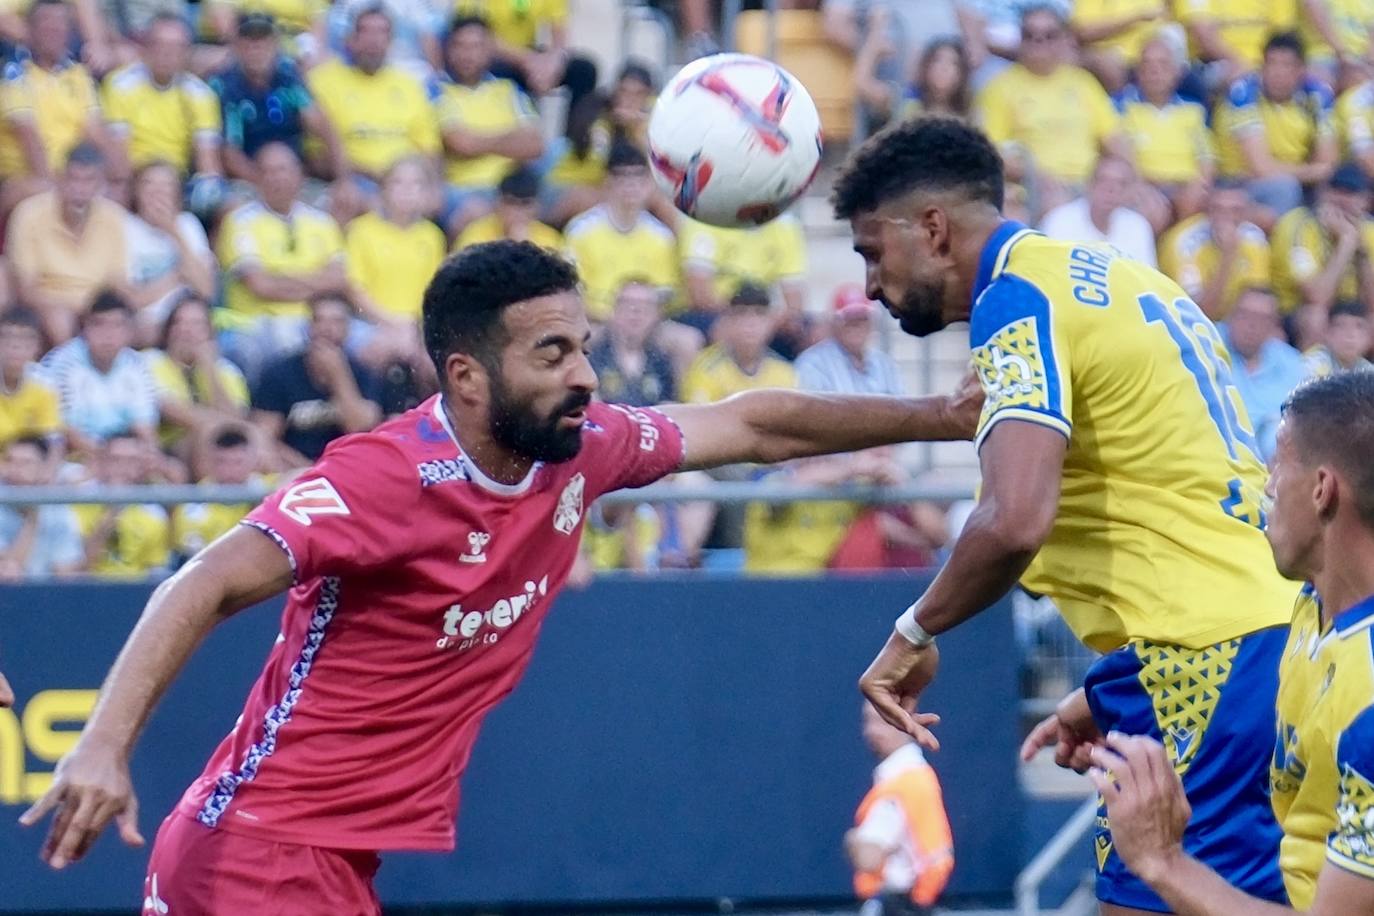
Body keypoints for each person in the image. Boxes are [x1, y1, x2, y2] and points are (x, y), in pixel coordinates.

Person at [18, 240, 983, 910]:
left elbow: (757, 422)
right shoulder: (382, 476)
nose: (587, 378)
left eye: (587, 349)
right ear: (467, 376)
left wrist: (941, 415)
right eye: (552, 353)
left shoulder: (581, 450)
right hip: (259, 854)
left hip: (326, 862)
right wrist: (104, 746)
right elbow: (202, 582)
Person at [834, 117, 1295, 915]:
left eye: (874, 253)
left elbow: (1014, 519)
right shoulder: (1124, 276)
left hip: (1202, 663)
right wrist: (1107, 687)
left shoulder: (1016, 300)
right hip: (1260, 640)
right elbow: (1167, 494)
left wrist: (912, 634)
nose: (872, 285)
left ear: (934, 229)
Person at [1088, 371, 1374, 915]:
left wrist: (1162, 861)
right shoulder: (1313, 607)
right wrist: (1084, 705)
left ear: (1321, 489)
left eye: (1279, 463)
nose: (1266, 485)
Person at [216, 142, 348, 385]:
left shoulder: (322, 222)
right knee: (286, 340)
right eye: (268, 171)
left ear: (300, 175)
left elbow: (339, 280)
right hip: (259, 322)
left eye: (283, 170)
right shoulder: (239, 222)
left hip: (318, 320)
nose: (276, 178)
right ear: (257, 178)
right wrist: (315, 280)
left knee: (368, 343)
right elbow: (261, 285)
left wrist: (281, 277)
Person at [975, 4, 1129, 211]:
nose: (1039, 41)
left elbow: (1115, 139)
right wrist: (1035, 176)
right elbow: (991, 153)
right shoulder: (999, 88)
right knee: (1057, 204)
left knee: (1148, 207)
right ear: (1020, 40)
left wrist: (1134, 180)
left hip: (1091, 183)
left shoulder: (1083, 82)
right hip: (1033, 186)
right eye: (1030, 35)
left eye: (1049, 35)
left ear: (1064, 39)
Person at [306, 5, 440, 216]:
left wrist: (432, 187)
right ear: (350, 38)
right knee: (358, 202)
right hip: (355, 180)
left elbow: (429, 150)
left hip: (408, 183)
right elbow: (316, 157)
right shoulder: (322, 82)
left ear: (391, 41)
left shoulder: (410, 86)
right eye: (365, 32)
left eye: (381, 32)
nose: (373, 41)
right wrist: (370, 173)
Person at [210, 13, 350, 195]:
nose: (257, 49)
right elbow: (230, 155)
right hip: (248, 182)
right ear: (236, 46)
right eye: (249, 42)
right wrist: (271, 186)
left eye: (263, 41)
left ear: (276, 45)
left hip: (293, 174)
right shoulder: (225, 86)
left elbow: (323, 127)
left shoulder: (289, 78)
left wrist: (344, 180)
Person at [6, 143, 128, 345]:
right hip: (48, 301)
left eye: (89, 181)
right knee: (60, 320)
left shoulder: (113, 218)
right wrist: (79, 307)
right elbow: (26, 290)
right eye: (73, 179)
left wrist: (102, 314)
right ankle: (66, 374)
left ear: (100, 185)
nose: (79, 190)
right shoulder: (29, 214)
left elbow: (117, 284)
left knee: (132, 324)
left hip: (98, 306)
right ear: (59, 179)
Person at [434, 15, 544, 236]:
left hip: (515, 189)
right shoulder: (436, 90)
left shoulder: (509, 90)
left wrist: (480, 141)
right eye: (460, 46)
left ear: (489, 51)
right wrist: (511, 138)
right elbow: (462, 144)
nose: (468, 54)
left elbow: (535, 145)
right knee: (478, 212)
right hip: (464, 190)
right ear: (448, 49)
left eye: (476, 47)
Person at [0, 0, 111, 217]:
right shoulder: (14, 73)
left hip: (75, 177)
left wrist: (103, 178)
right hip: (27, 176)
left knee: (114, 192)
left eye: (61, 24)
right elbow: (30, 138)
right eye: (46, 23)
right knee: (39, 190)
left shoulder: (78, 75)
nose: (54, 30)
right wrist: (62, 186)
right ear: (30, 30)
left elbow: (95, 133)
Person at [1213, 32, 1337, 225]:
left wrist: (1318, 171)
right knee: (1285, 188)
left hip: (1298, 181)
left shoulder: (1317, 94)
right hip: (1239, 184)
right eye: (1271, 63)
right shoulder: (1243, 93)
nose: (1277, 72)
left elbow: (1329, 163)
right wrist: (1313, 171)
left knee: (1342, 189)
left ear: (1301, 70)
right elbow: (1260, 168)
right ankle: (1285, 245)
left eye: (1286, 65)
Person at [100, 14, 223, 209]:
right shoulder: (120, 85)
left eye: (176, 47)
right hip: (134, 179)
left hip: (178, 182)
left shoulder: (201, 95)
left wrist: (207, 189)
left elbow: (208, 164)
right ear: (146, 48)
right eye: (160, 45)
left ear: (186, 53)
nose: (167, 53)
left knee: (218, 200)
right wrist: (150, 187)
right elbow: (118, 160)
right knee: (115, 191)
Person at [847, 702, 954, 916]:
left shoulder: (901, 786)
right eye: (868, 720)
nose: (871, 730)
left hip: (897, 905)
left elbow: (869, 858)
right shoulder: (919, 776)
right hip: (916, 902)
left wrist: (851, 839)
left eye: (883, 721)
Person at [252, 294, 383, 466]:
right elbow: (264, 439)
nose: (327, 329)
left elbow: (361, 428)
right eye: (319, 320)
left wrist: (339, 376)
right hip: (293, 470)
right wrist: (308, 469)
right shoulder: (278, 372)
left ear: (348, 328)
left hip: (349, 469)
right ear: (308, 326)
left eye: (337, 321)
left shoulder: (365, 372)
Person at [564, 142, 678, 323]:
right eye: (622, 177)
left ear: (649, 183)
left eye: (638, 177)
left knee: (687, 340)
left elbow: (663, 297)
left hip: (646, 327)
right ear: (607, 181)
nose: (631, 186)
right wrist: (614, 322)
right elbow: (572, 294)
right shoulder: (581, 231)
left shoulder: (661, 237)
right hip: (595, 323)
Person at [39, 289, 158, 457]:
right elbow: (67, 432)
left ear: (130, 331)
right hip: (76, 457)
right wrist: (110, 459)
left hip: (126, 455)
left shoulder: (137, 365)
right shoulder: (63, 363)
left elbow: (145, 428)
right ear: (84, 328)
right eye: (99, 324)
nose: (108, 334)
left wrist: (146, 456)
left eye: (117, 325)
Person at [1114, 36, 1214, 230]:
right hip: (1144, 186)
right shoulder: (1121, 107)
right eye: (1147, 64)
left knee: (1203, 204)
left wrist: (1198, 185)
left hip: (1185, 185)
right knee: (1151, 211)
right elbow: (1120, 154)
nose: (1155, 71)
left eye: (1163, 64)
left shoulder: (1193, 110)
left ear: (1177, 73)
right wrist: (1140, 185)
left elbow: (1206, 158)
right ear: (1137, 71)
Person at [143, 294, 251, 460]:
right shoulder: (150, 361)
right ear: (168, 329)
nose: (186, 330)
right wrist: (236, 427)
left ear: (209, 332)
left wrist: (208, 367)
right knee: (209, 432)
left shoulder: (226, 370)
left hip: (225, 445)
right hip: (171, 447)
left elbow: (237, 418)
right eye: (179, 322)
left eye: (196, 324)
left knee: (257, 440)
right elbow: (175, 412)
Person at [123, 160, 216, 336]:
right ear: (136, 191)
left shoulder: (188, 224)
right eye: (149, 184)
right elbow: (132, 300)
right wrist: (177, 276)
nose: (157, 193)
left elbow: (206, 290)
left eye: (166, 186)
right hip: (145, 324)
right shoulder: (124, 227)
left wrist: (173, 231)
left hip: (190, 322)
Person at [1158, 177, 1271, 320]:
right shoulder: (1184, 244)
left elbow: (1255, 300)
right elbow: (1199, 313)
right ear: (1207, 211)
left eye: (1235, 210)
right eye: (1218, 209)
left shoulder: (1254, 238)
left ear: (1246, 214)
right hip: (1187, 322)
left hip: (1236, 324)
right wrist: (1228, 256)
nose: (1226, 218)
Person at [1271, 163, 1374, 317]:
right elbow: (1317, 298)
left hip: (1350, 316)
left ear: (1366, 201)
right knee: (1316, 316)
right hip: (1294, 312)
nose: (1342, 200)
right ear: (1322, 192)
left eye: (1351, 193)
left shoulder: (1369, 230)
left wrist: (1361, 252)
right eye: (1336, 190)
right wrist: (1345, 243)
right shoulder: (1297, 224)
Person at [1221, 286, 1310, 462]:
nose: (1251, 325)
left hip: (1272, 467)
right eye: (1244, 315)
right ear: (1229, 315)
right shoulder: (1206, 345)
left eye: (1261, 319)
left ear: (1274, 325)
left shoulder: (1292, 363)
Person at [74, 431, 171, 579]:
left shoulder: (154, 513)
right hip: (86, 589)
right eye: (115, 460)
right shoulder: (78, 500)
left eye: (131, 461)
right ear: (101, 462)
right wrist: (112, 511)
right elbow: (77, 568)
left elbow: (155, 572)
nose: (123, 468)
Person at [1038, 155, 1157, 267]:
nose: (1111, 189)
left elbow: (1147, 280)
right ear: (1089, 184)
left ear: (1130, 191)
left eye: (1121, 184)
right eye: (1103, 180)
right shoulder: (1059, 221)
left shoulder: (1138, 226)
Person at [171, 424, 267, 563]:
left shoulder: (270, 491)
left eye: (238, 462)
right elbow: (192, 554)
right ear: (209, 462)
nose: (230, 470)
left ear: (254, 461)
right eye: (222, 462)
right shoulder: (195, 502)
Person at [0, 436, 83, 580]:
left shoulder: (58, 509)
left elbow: (66, 572)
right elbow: (8, 573)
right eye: (10, 460)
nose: (15, 469)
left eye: (26, 463)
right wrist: (33, 518)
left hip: (47, 595)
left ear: (44, 468)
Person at [796, 285, 903, 397]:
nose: (856, 324)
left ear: (872, 323)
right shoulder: (813, 364)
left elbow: (901, 408)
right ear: (834, 323)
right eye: (848, 318)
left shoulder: (885, 364)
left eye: (862, 318)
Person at [854, 30, 973, 128]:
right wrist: (874, 42)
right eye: (937, 60)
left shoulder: (969, 114)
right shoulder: (905, 101)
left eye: (953, 63)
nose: (944, 68)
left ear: (962, 73)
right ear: (925, 65)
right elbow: (863, 84)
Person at [588, 279, 676, 407]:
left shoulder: (661, 363)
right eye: (627, 303)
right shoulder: (593, 358)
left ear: (657, 315)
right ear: (613, 310)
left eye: (646, 305)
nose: (636, 311)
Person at [1068, 0, 1169, 94]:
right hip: (1116, 60)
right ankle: (1121, 106)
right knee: (1108, 61)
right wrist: (1136, 17)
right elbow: (1083, 32)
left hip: (1155, 54)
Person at [453, 166, 563, 251]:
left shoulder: (550, 240)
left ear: (536, 207)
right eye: (511, 203)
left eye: (525, 204)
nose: (517, 212)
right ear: (498, 204)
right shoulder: (476, 234)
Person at [0, 306, 61, 450]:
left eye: (25, 339)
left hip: (30, 465)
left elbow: (53, 443)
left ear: (38, 347)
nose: (16, 345)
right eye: (7, 337)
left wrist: (45, 472)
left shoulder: (44, 383)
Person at [1304, 300, 1373, 376]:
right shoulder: (1311, 365)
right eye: (1341, 325)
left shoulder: (1368, 370)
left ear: (1368, 337)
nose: (1350, 334)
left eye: (1359, 326)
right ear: (1327, 333)